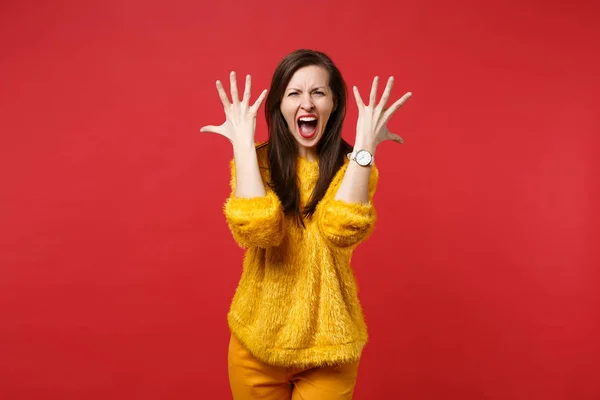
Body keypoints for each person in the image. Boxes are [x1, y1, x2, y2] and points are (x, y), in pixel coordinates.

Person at [200, 49, 412, 400]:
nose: (307, 104)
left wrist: (365, 146)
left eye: (318, 92)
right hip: (256, 346)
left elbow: (341, 231)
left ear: (334, 103)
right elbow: (257, 230)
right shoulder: (258, 162)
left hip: (329, 350)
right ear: (279, 105)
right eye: (294, 93)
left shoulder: (354, 168)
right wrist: (242, 146)